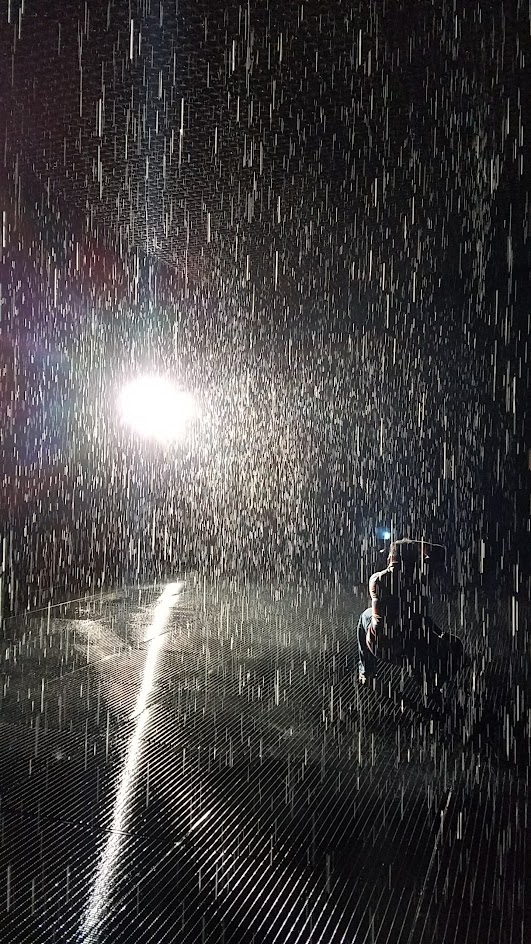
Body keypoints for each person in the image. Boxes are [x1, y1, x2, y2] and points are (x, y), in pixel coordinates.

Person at [357, 538, 464, 704]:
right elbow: (440, 552)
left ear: (391, 559)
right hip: (414, 649)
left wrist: (396, 547)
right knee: (423, 638)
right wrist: (414, 545)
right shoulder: (421, 578)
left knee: (366, 615)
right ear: (415, 560)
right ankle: (432, 691)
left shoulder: (377, 580)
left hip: (381, 646)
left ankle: (367, 671)